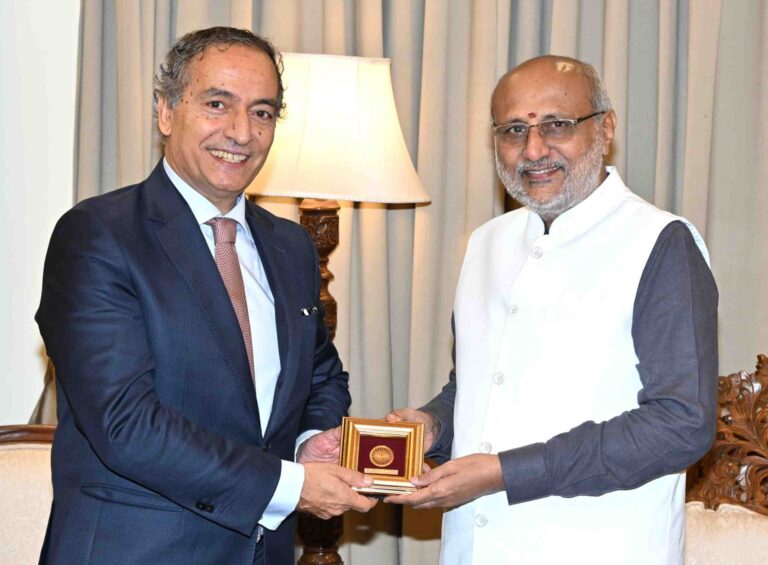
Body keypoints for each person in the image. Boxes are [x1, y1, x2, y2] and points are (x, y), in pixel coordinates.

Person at [36, 27, 375, 565]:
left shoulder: (290, 246)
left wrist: (311, 439)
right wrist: (290, 486)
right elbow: (126, 424)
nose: (241, 132)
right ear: (166, 112)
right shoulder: (98, 235)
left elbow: (321, 376)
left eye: (262, 112)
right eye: (218, 104)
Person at [386, 55, 718, 564]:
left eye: (557, 125)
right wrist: (435, 424)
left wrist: (505, 472)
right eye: (514, 130)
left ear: (605, 128)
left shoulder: (660, 242)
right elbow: (480, 384)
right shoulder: (485, 242)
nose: (534, 149)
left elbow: (680, 423)